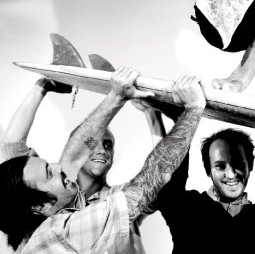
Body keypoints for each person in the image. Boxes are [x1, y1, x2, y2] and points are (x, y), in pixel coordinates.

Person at [0, 67, 206, 253]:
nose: (101, 151)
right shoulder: (57, 229)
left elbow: (158, 185)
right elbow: (71, 151)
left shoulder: (75, 198)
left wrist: (151, 113)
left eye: (108, 146)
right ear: (39, 206)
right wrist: (42, 85)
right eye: (94, 146)